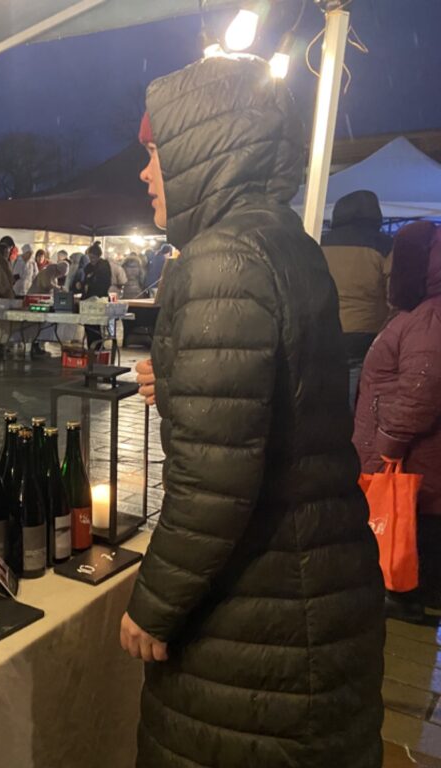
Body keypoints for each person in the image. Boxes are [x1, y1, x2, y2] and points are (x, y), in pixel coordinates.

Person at [122, 57, 384, 768]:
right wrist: (186, 382)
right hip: (316, 594)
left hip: (262, 615)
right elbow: (280, 405)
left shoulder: (221, 259)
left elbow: (214, 485)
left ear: (204, 146)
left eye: (154, 151)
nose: (146, 172)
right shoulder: (284, 240)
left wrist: (154, 603)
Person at [353, 220, 441, 622]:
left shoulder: (428, 317)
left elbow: (423, 387)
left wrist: (389, 439)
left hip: (411, 456)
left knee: (412, 522)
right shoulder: (422, 313)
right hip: (413, 454)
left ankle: (408, 596)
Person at [321, 189, 393, 409]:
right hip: (366, 332)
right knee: (356, 397)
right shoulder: (385, 245)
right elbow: (395, 294)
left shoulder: (320, 242)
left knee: (324, 392)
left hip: (324, 329)